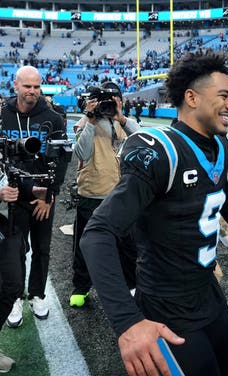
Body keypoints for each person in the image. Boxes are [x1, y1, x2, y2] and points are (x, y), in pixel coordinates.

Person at [80, 51, 228, 376]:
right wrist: (127, 322)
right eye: (224, 96)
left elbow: (223, 192)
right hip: (165, 301)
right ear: (192, 97)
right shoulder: (161, 151)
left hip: (207, 288)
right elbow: (98, 233)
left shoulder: (221, 145)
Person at [1, 65, 68, 328]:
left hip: (42, 195)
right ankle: (15, 296)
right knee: (14, 250)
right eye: (27, 86)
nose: (32, 91)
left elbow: (62, 160)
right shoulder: (2, 115)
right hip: (14, 195)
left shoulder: (53, 117)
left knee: (42, 249)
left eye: (37, 86)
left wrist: (48, 196)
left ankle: (37, 294)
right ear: (15, 85)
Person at [69, 82, 141, 307]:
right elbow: (82, 152)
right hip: (92, 192)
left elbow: (143, 138)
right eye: (105, 101)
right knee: (85, 244)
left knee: (128, 245)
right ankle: (81, 287)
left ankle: (132, 285)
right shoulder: (84, 121)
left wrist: (120, 117)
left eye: (114, 100)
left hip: (120, 194)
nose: (109, 105)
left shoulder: (122, 122)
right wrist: (90, 120)